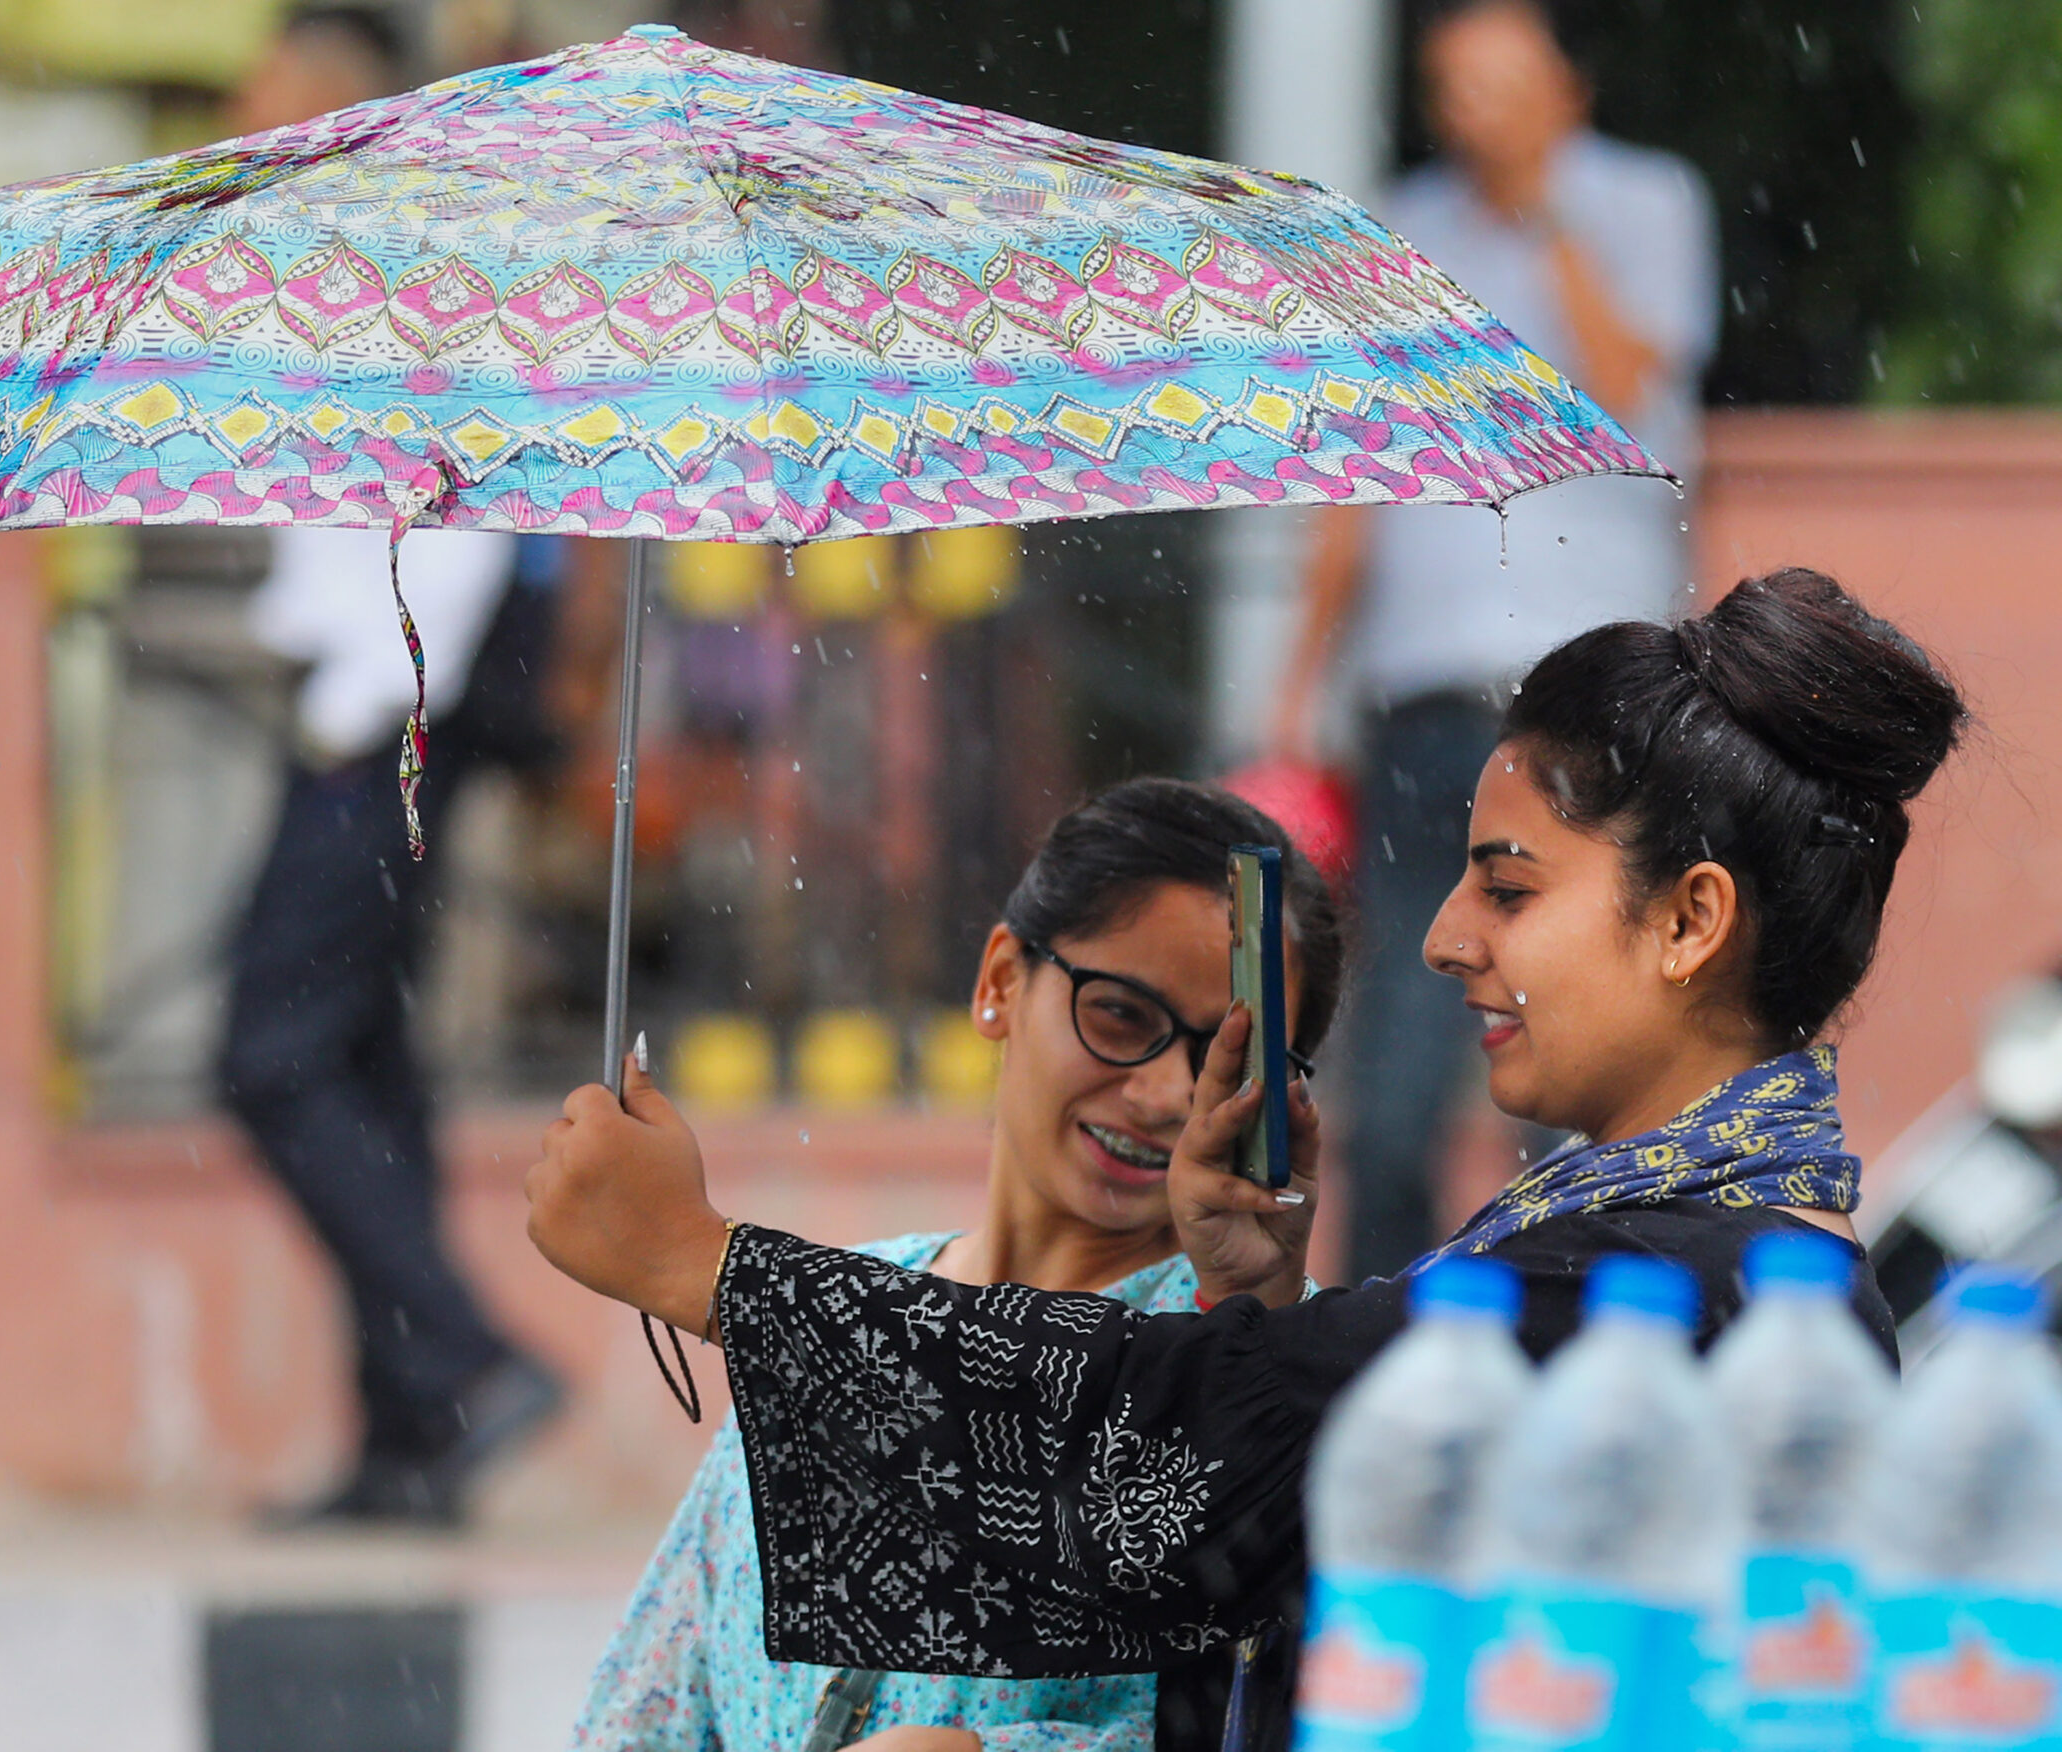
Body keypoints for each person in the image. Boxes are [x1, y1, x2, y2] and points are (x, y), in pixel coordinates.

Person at [527, 568, 1964, 1750]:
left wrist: (705, 1266)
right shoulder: (1677, 1255)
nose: (1451, 936)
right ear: (998, 984)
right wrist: (1260, 1319)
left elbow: (1165, 1478)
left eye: (1511, 887)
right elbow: (1284, 1523)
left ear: (1688, 921)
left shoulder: (1680, 1289)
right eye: (1111, 1014)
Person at [571, 781, 1343, 1752]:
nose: (1164, 1094)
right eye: (1116, 1015)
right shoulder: (840, 1309)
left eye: (1232, 1068)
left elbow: (1290, 1711)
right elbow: (647, 1709)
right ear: (999, 984)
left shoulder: (1270, 1376)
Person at [1267, 0, 1719, 1281]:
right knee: (1406, 1040)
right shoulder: (1398, 227)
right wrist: (1296, 685)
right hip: (1429, 696)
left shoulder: (1642, 202)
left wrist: (1541, 215)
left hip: (1598, 696)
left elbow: (1632, 387)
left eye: (1500, 84)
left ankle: (1565, 1305)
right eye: (1451, 85)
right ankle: (1381, 1328)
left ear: (1566, 90)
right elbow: (1356, 486)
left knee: (1584, 1029)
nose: (1472, 111)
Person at [219, 4, 565, 1524]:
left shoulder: (413, 274)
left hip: (382, 732)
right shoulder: (336, 276)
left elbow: (467, 523)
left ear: (332, 102)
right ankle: (407, 1446)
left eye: (267, 92)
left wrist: (373, 704)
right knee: (365, 1070)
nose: (241, 114)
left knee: (273, 1059)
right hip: (372, 718)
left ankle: (472, 1366)